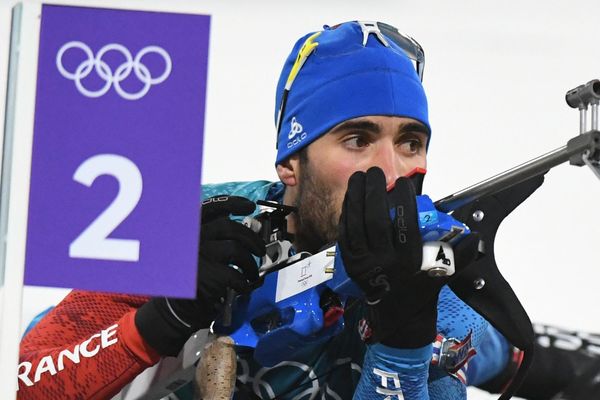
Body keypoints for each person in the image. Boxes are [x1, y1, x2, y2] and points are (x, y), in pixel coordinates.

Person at [16, 20, 594, 400]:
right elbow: (26, 380)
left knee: (498, 352)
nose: (392, 172)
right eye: (357, 140)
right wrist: (159, 318)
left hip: (457, 334)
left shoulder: (437, 307)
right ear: (290, 163)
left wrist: (401, 339)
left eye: (410, 142)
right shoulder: (192, 219)